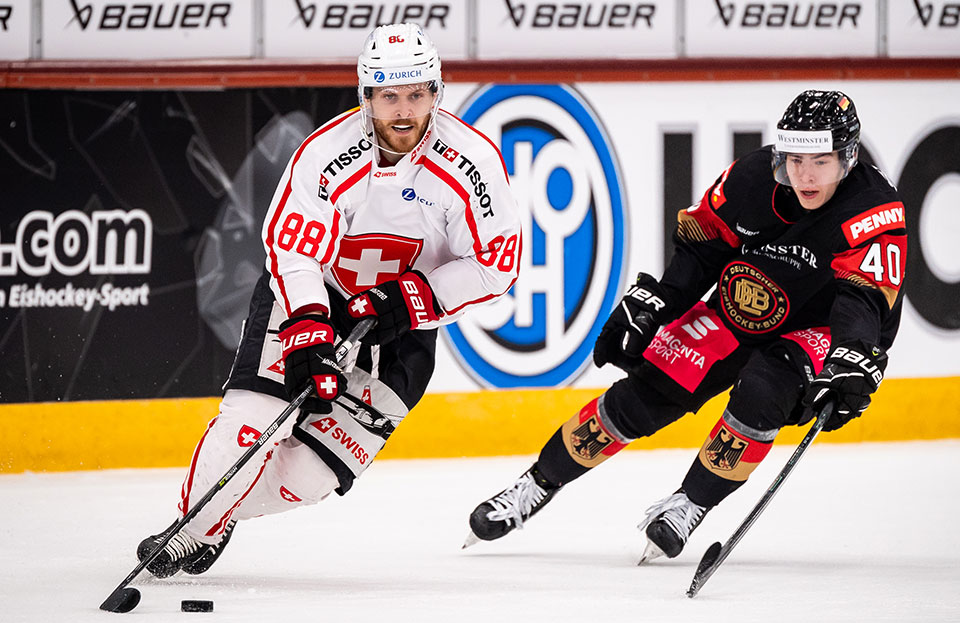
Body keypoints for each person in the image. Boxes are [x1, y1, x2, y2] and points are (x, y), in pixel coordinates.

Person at [137, 23, 521, 578]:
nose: (404, 111)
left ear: (437, 93)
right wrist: (310, 326)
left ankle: (220, 513)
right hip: (313, 299)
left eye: (418, 93)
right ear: (366, 96)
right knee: (253, 417)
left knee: (310, 478)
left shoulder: (472, 163)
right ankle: (191, 532)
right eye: (389, 95)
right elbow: (291, 255)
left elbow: (496, 262)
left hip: (404, 326)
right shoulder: (326, 155)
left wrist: (415, 297)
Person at [466, 90, 906, 563]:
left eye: (819, 159)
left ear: (848, 155)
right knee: (649, 390)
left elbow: (861, 300)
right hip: (743, 303)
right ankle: (536, 483)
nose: (804, 174)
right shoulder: (751, 178)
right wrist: (659, 299)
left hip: (822, 329)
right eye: (794, 158)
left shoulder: (874, 209)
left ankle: (690, 504)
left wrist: (853, 355)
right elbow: (701, 250)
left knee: (763, 389)